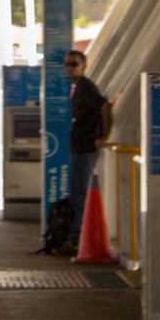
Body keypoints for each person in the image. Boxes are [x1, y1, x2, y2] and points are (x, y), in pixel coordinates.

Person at [60, 50, 113, 255]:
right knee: (76, 192)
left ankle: (76, 240)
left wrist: (104, 136)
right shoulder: (78, 88)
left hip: (85, 148)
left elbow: (105, 106)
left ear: (84, 66)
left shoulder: (86, 88)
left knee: (78, 195)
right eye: (67, 64)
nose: (69, 68)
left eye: (74, 64)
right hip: (79, 146)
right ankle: (75, 238)